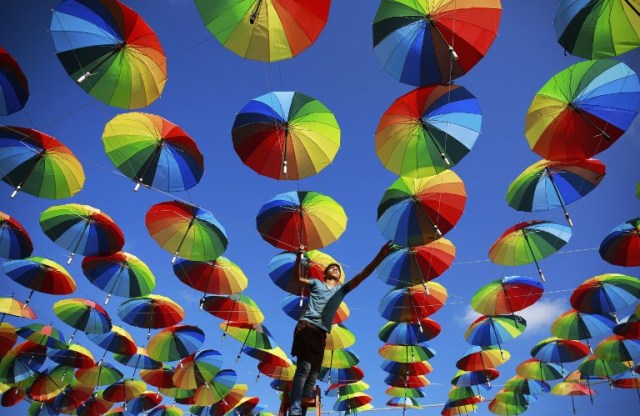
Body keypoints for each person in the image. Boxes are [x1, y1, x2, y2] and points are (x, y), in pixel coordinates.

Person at [288, 241, 394, 415]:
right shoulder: (316, 284)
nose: (336, 268)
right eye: (332, 267)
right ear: (325, 273)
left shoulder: (341, 290)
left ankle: (302, 410)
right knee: (304, 368)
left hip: (321, 333)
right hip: (307, 326)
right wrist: (299, 257)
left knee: (314, 373)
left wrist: (380, 256)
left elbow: (364, 273)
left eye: (338, 268)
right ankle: (295, 410)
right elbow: (297, 279)